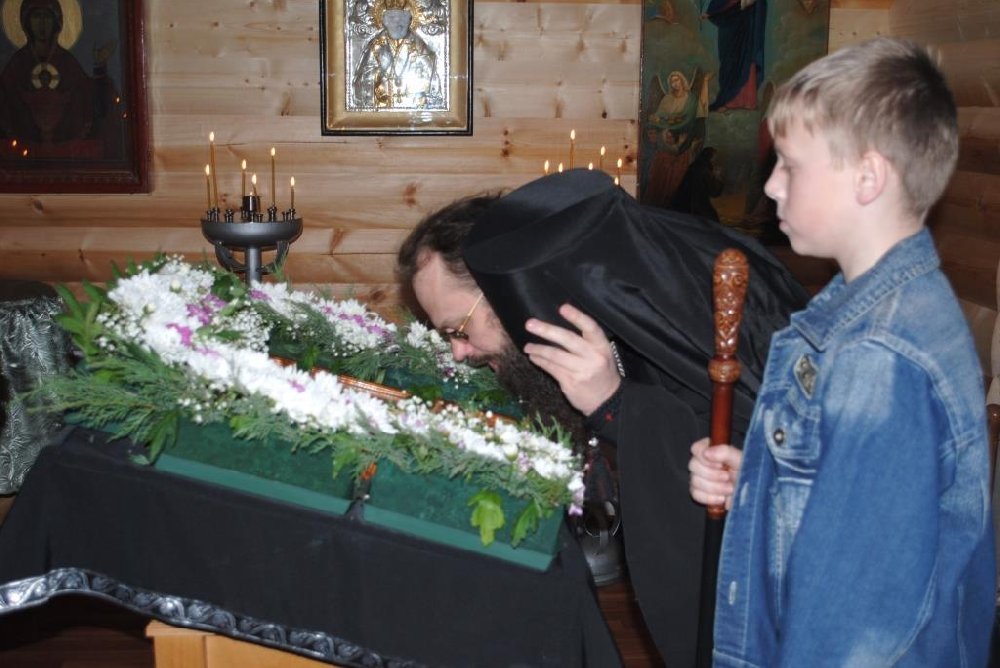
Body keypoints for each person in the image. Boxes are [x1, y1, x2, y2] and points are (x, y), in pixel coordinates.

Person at [397, 168, 809, 666]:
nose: (459, 353)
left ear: (503, 289)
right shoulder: (589, 306)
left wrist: (615, 404)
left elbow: (752, 455)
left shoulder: (684, 304)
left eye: (457, 330)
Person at [688, 37, 996, 665]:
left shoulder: (881, 356)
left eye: (790, 165)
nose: (772, 186)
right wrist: (762, 479)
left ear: (868, 177)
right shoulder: (881, 311)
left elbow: (855, 622)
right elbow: (858, 511)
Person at [351, 0, 441, 110]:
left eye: (402, 18)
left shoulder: (419, 47)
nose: (398, 23)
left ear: (409, 21)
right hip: (382, 108)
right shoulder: (376, 46)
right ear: (385, 21)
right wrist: (378, 74)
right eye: (392, 18)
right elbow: (361, 79)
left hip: (414, 108)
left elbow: (431, 78)